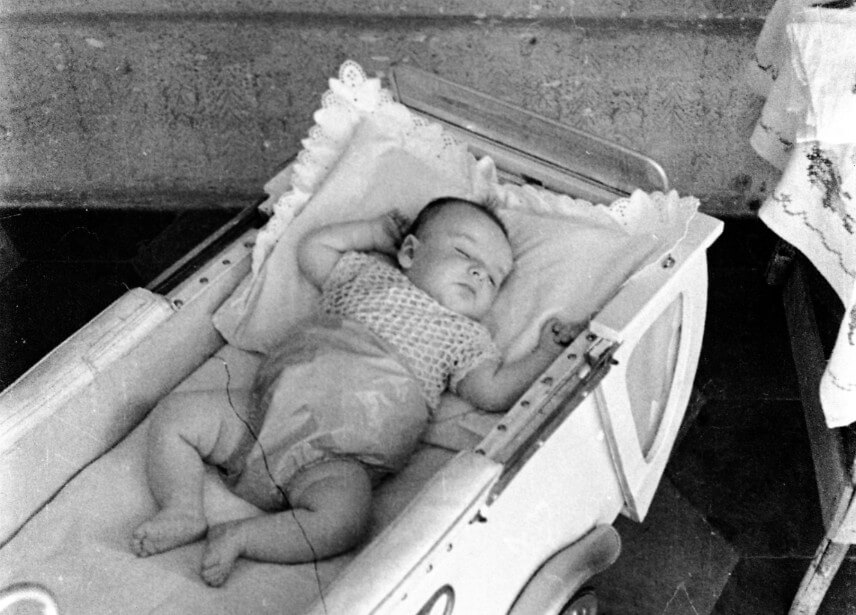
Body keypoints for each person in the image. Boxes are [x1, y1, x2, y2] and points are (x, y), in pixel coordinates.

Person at [131, 197, 580, 586]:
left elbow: (494, 392)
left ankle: (244, 536)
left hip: (340, 459)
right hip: (260, 413)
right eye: (465, 253)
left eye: (495, 278)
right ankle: (183, 507)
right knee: (177, 416)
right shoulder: (366, 275)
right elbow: (313, 250)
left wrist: (545, 352)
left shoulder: (468, 337)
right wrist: (369, 233)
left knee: (345, 521)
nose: (480, 274)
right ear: (408, 251)